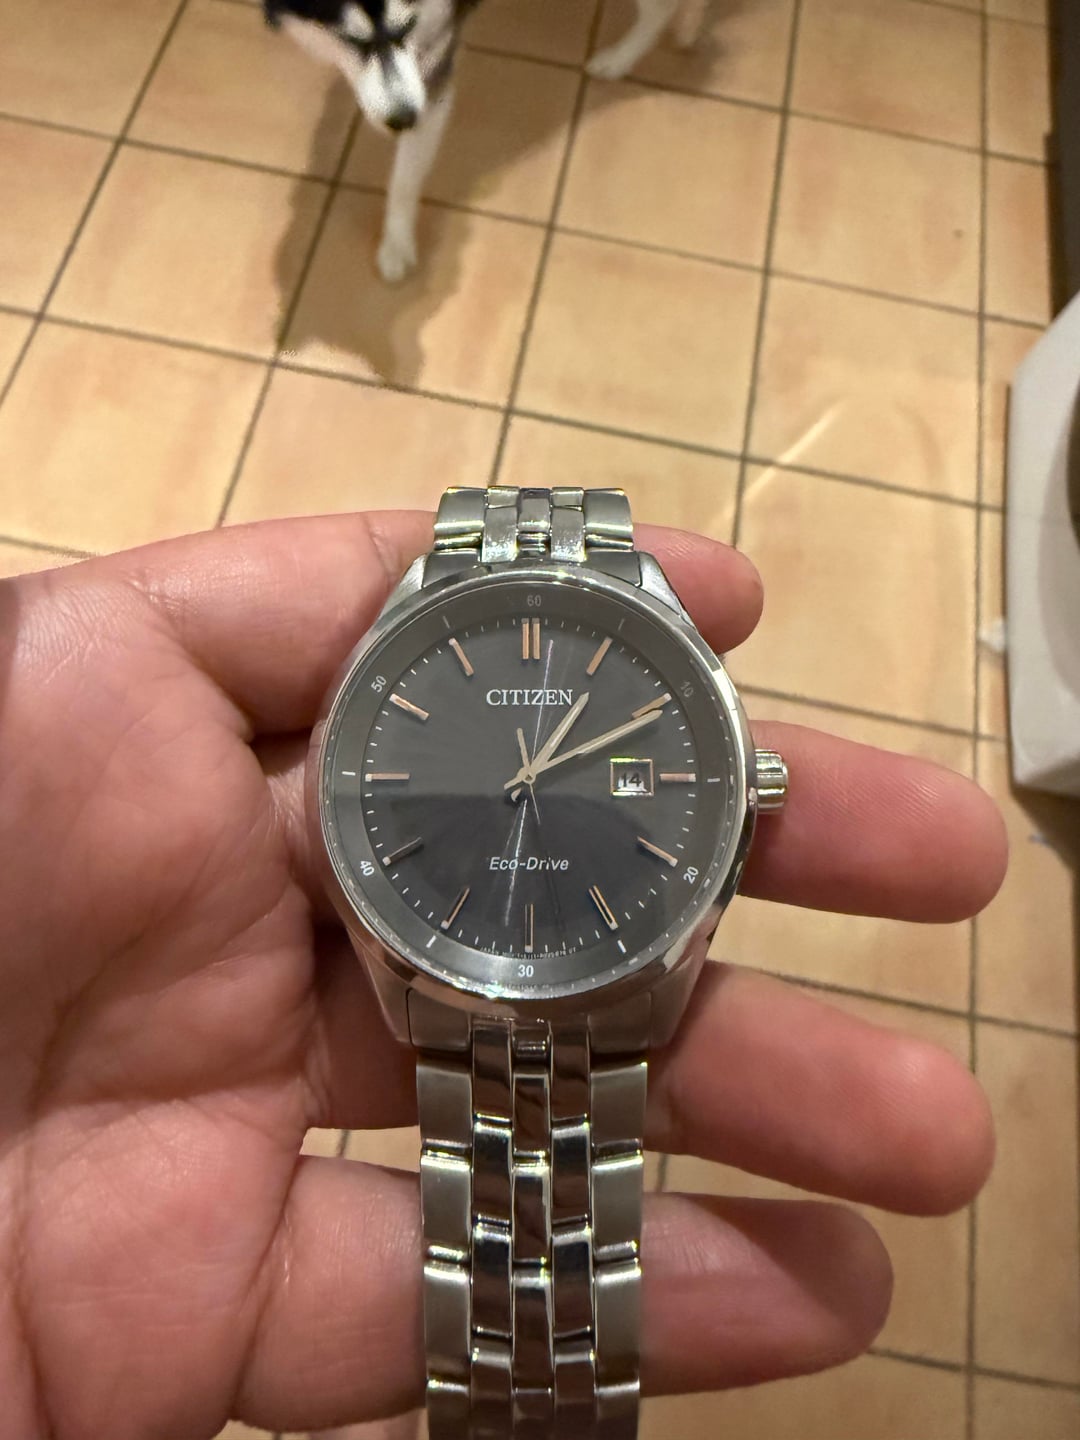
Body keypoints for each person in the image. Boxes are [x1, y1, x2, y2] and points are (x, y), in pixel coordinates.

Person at [0, 513, 1005, 1439]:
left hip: (591, 963)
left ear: (752, 790)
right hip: (448, 967)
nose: (522, 783)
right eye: (517, 775)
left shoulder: (688, 788)